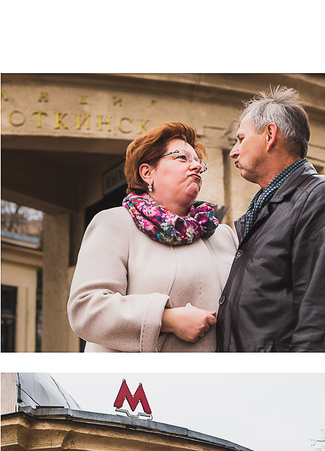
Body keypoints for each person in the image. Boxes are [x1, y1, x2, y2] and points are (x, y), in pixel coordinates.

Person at [214, 86, 325, 351]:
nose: (233, 151)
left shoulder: (323, 197)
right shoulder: (264, 210)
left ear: (270, 135)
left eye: (241, 139)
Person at [68, 120, 235, 352]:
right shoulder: (114, 224)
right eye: (182, 158)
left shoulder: (223, 235)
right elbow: (86, 309)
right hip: (140, 383)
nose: (196, 166)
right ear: (147, 173)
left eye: (198, 161)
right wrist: (167, 320)